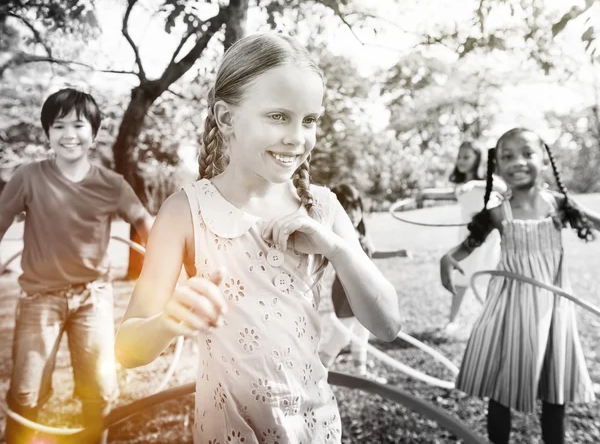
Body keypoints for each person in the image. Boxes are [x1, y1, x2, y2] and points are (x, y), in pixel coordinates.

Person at [114, 33, 401, 444]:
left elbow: (388, 325)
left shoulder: (321, 207)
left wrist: (337, 250)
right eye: (278, 116)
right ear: (227, 118)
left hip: (313, 428)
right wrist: (167, 321)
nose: (297, 137)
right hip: (228, 430)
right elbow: (127, 349)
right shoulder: (184, 211)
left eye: (310, 120)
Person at [0, 88, 153, 444]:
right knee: (26, 393)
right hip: (40, 298)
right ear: (48, 133)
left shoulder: (112, 185)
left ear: (94, 132)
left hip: (93, 299)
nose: (69, 134)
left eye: (79, 125)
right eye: (59, 126)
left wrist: (172, 265)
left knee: (99, 391)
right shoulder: (28, 177)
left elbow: (147, 226)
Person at [440, 127, 599, 444]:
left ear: (545, 159)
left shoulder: (558, 205)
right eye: (508, 156)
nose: (518, 162)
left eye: (528, 153)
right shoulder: (498, 211)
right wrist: (448, 258)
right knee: (503, 384)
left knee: (555, 391)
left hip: (552, 309)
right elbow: (468, 245)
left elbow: (595, 221)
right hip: (511, 307)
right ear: (496, 167)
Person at [318, 183, 387, 383]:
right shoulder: (338, 236)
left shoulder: (362, 234)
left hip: (365, 290)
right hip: (347, 290)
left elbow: (371, 254)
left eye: (355, 207)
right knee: (343, 334)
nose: (353, 213)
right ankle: (320, 370)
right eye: (345, 210)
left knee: (363, 331)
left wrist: (399, 253)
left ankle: (360, 370)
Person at [444, 141, 506, 332]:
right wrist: (424, 194)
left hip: (487, 239)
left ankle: (491, 320)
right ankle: (452, 320)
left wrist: (474, 184)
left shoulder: (487, 182)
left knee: (489, 279)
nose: (461, 161)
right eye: (459, 157)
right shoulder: (461, 185)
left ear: (478, 159)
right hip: (467, 237)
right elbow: (447, 194)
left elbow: (502, 186)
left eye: (466, 157)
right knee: (462, 279)